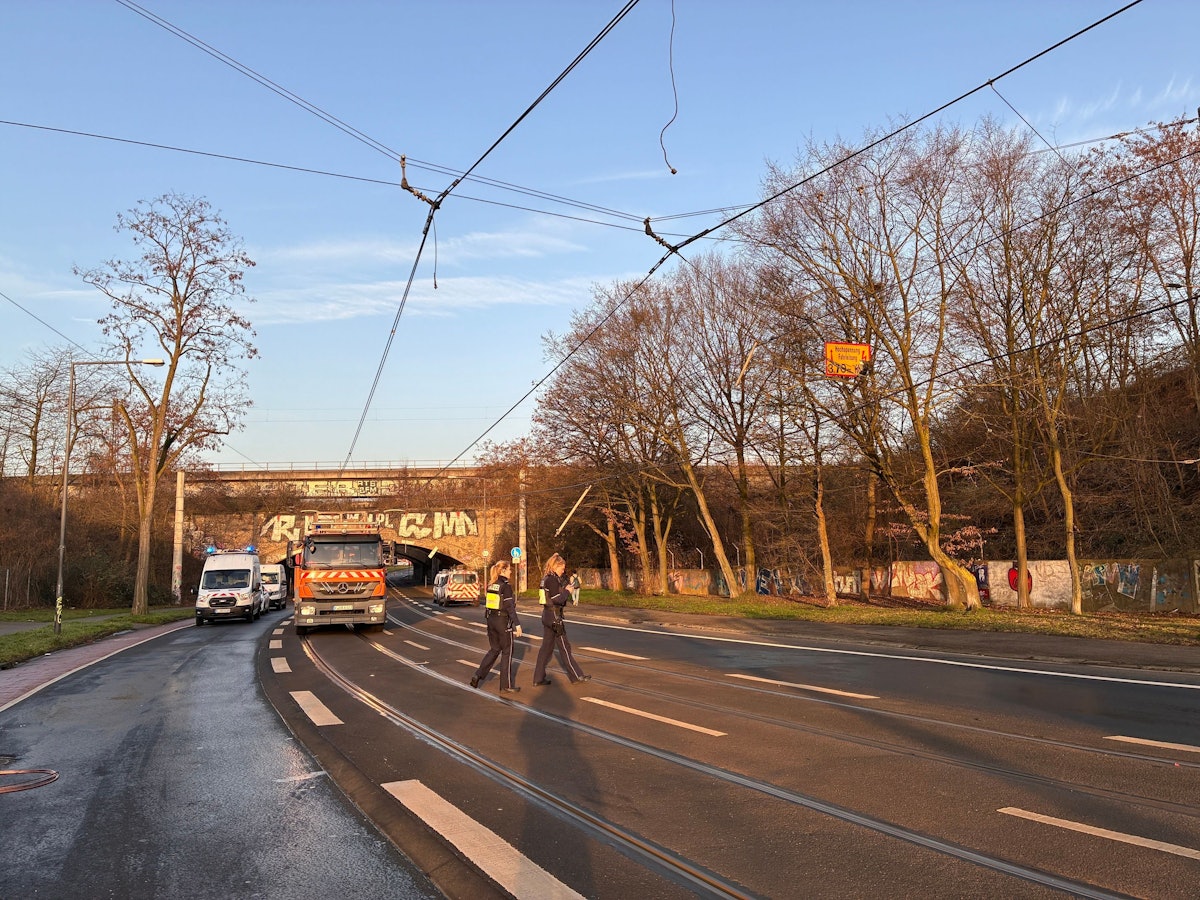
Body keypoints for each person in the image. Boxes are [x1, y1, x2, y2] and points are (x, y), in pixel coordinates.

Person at [532, 553, 589, 686]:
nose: (563, 571)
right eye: (562, 568)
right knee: (564, 647)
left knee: (545, 649)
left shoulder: (545, 578)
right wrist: (568, 591)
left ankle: (538, 678)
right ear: (555, 566)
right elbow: (557, 598)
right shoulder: (551, 580)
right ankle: (576, 676)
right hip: (554, 617)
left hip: (547, 615)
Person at [470, 560, 522, 693]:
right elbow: (510, 607)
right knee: (507, 652)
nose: (511, 571)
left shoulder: (491, 585)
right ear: (503, 570)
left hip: (491, 621)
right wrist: (517, 624)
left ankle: (478, 674)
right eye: (509, 569)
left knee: (494, 649)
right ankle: (506, 685)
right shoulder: (505, 586)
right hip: (502, 622)